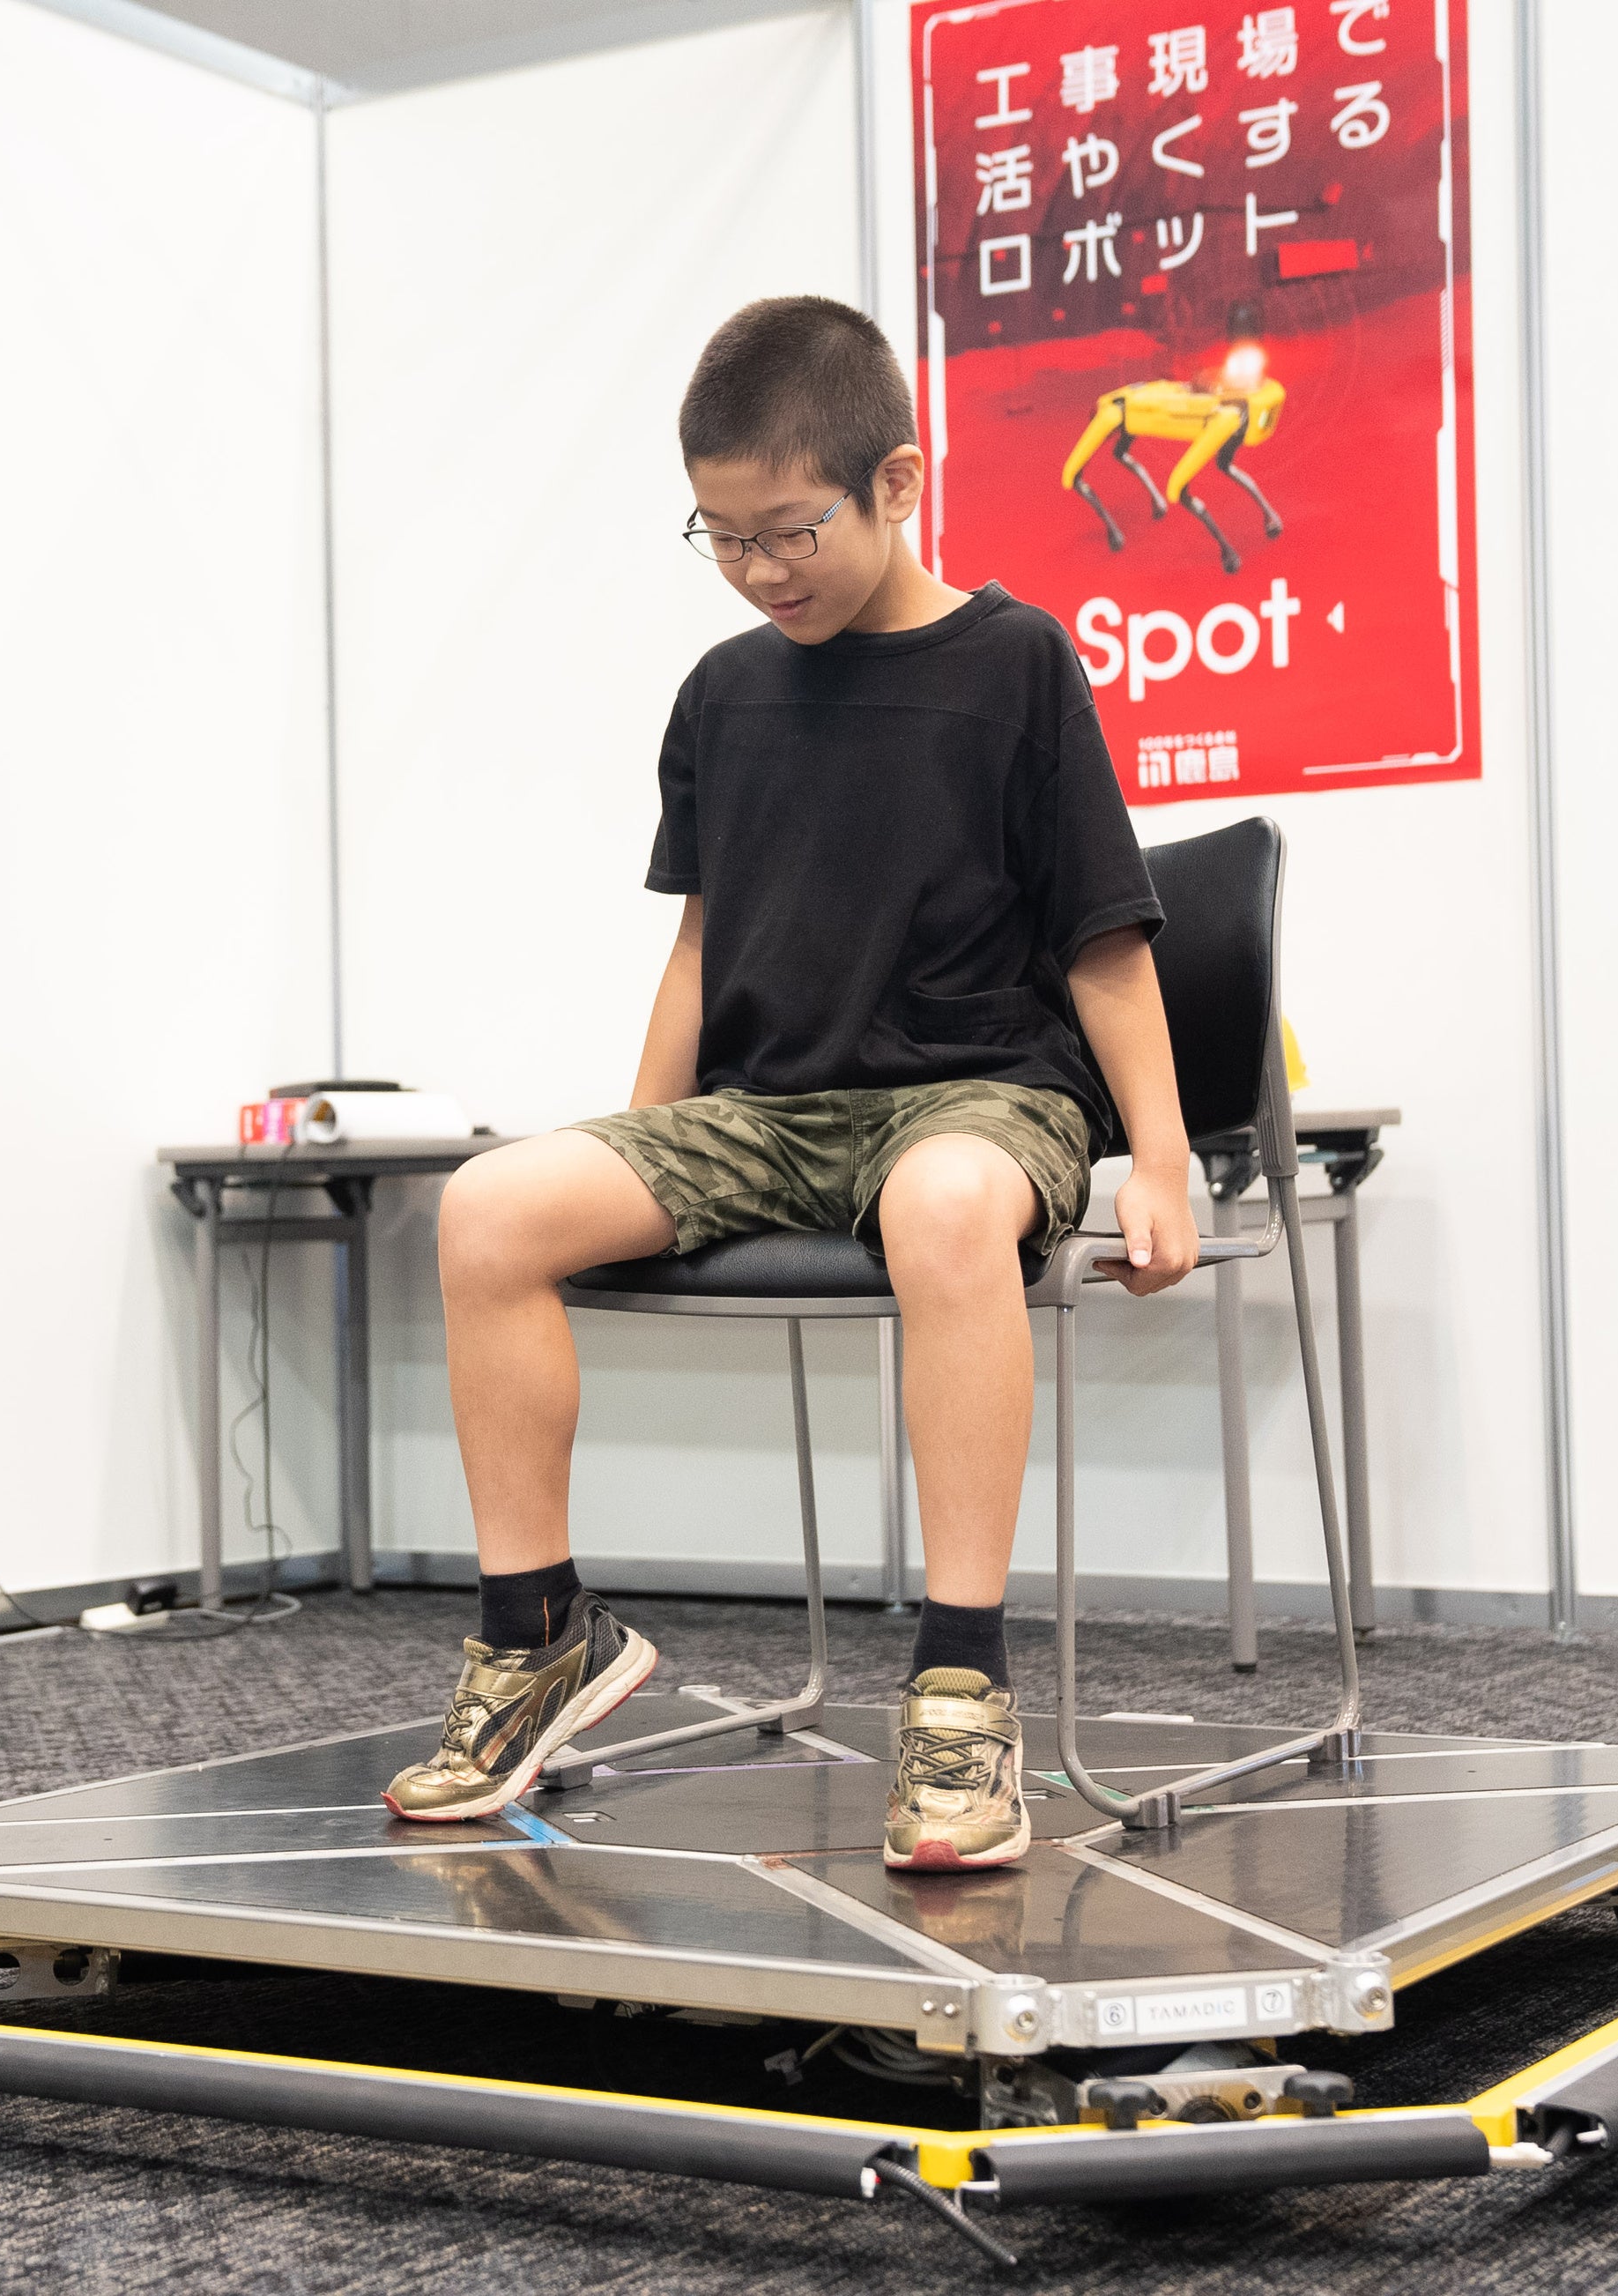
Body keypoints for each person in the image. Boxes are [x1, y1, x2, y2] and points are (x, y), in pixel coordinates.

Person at [382, 297, 1199, 1869]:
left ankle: (961, 1685)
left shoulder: (1018, 664)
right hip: (765, 1115)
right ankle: (538, 1633)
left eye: (791, 528)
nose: (762, 568)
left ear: (899, 481)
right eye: (724, 534)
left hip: (973, 1096)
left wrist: (1154, 1155)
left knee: (948, 1207)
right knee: (489, 1208)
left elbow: (1106, 938)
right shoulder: (722, 696)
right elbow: (702, 943)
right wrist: (640, 1133)